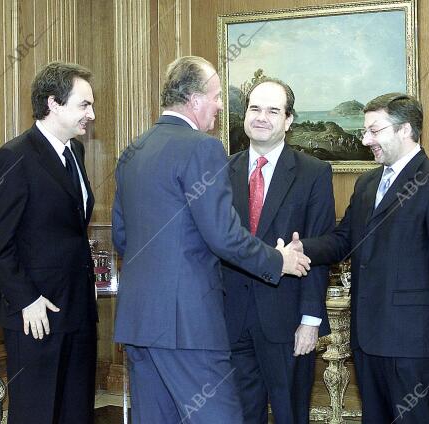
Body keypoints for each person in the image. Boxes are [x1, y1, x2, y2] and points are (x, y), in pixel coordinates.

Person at [111, 56, 311, 424]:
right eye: (217, 96)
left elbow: (122, 238)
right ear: (195, 99)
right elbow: (223, 236)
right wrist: (277, 260)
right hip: (188, 325)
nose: (221, 105)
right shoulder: (202, 148)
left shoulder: (132, 151)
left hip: (139, 321)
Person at [291, 93, 429, 423]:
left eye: (374, 130)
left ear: (404, 130)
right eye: (364, 130)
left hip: (412, 343)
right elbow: (345, 239)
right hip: (367, 338)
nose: (365, 139)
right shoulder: (367, 183)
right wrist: (304, 250)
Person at [0, 62, 98, 423]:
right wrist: (27, 298)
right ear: (53, 104)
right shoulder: (14, 157)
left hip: (77, 312)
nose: (91, 115)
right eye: (84, 105)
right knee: (37, 414)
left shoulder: (74, 154)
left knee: (75, 413)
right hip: (37, 317)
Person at [222, 78, 335, 424]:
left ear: (288, 120)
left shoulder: (313, 173)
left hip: (288, 323)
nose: (261, 117)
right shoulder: (223, 170)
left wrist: (311, 320)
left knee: (290, 415)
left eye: (273, 111)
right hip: (230, 319)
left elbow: (318, 247)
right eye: (255, 108)